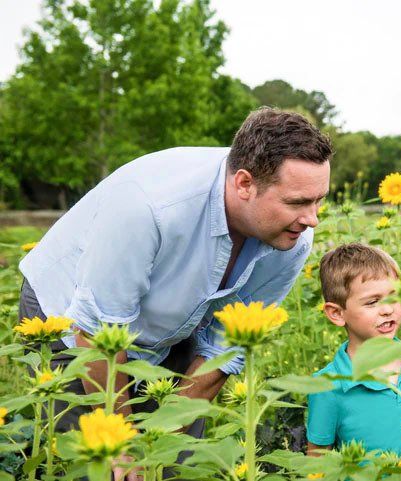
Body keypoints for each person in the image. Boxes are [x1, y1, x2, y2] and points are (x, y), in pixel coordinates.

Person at [18, 107, 332, 472]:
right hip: (71, 319)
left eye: (318, 199)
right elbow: (96, 329)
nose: (312, 219)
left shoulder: (293, 237)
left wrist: (162, 442)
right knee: (95, 465)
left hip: (178, 325)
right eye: (297, 202)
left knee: (173, 462)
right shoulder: (150, 206)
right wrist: (122, 447)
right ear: (244, 183)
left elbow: (224, 346)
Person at [306, 243, 401, 477]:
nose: (388, 310)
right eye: (372, 302)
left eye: (394, 296)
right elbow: (317, 463)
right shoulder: (327, 385)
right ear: (337, 313)